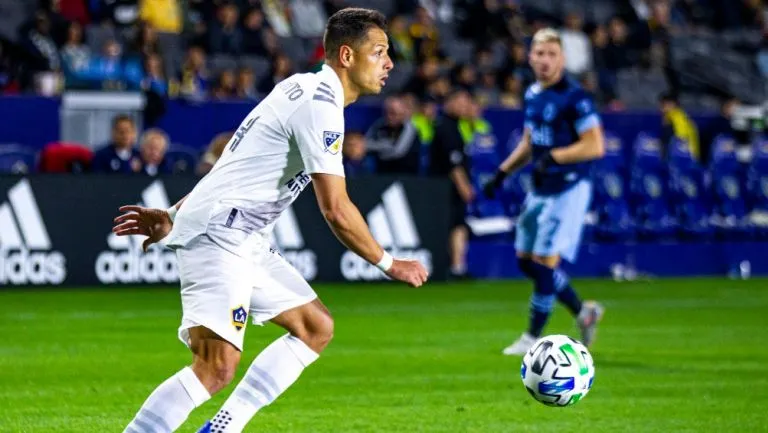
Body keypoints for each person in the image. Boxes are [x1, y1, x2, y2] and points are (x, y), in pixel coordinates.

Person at [113, 9, 428, 433]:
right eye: (379, 52)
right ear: (348, 56)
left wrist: (173, 214)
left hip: (243, 236)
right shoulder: (321, 107)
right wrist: (390, 263)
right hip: (223, 235)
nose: (389, 63)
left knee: (315, 326)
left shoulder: (299, 86)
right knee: (215, 366)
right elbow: (336, 208)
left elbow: (233, 164)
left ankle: (224, 426)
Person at [482, 28, 606, 356]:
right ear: (530, 57)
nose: (546, 60)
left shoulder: (575, 97)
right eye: (540, 54)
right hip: (540, 187)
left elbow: (595, 145)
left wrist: (555, 156)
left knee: (546, 263)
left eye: (552, 54)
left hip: (568, 188)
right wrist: (501, 172)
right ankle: (583, 311)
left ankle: (532, 337)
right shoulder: (534, 93)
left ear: (562, 59)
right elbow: (529, 141)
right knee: (526, 261)